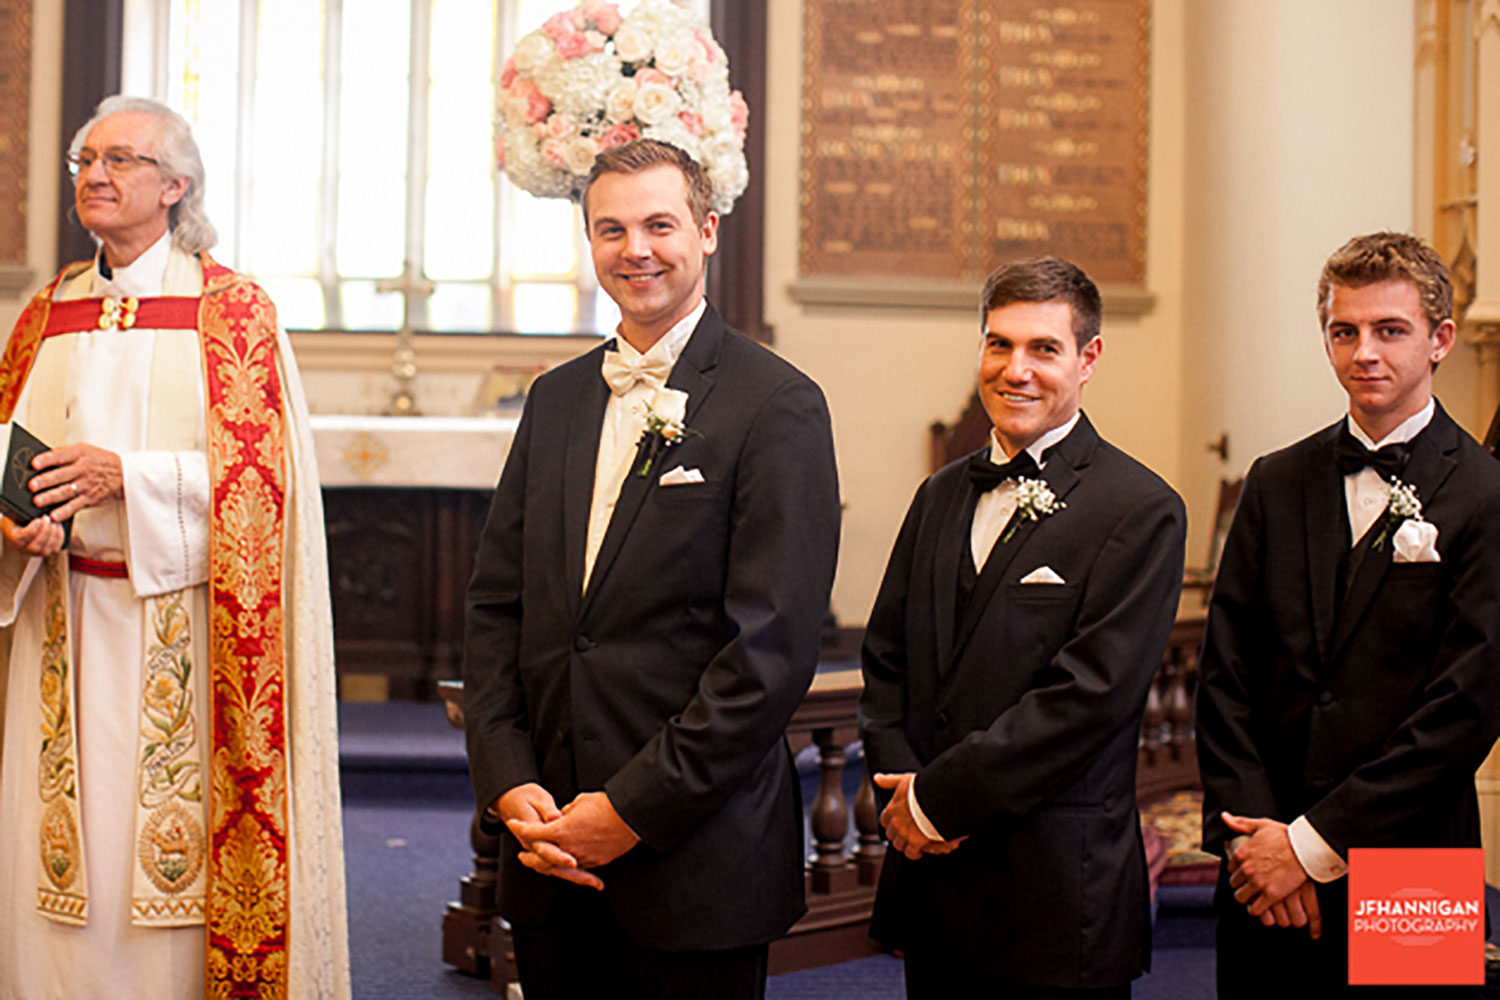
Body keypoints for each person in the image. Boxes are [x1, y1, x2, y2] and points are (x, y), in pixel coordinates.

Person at [462, 139, 840, 999]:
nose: (636, 249)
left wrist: (629, 812)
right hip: (550, 845)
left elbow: (769, 653)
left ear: (707, 232)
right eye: (612, 229)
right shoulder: (557, 398)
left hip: (695, 857)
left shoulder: (777, 404)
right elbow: (495, 607)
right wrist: (509, 776)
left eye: (660, 224)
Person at [0, 96, 348, 1000]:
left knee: (158, 866)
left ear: (176, 185)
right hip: (56, 620)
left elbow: (265, 489)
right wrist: (15, 525)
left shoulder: (230, 311)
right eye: (85, 160)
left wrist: (131, 480)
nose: (96, 175)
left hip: (181, 630)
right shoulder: (46, 313)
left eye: (120, 160)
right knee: (51, 864)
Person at [859, 255, 1186, 998]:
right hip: (933, 874)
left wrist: (937, 801)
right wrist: (900, 787)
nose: (1016, 369)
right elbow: (886, 659)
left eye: (1044, 348)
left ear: (1088, 357)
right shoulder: (939, 495)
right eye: (998, 344)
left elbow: (1088, 698)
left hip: (1052, 885)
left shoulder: (1139, 509)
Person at [1196, 231, 1500, 997]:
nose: (1365, 352)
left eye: (1390, 331)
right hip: (1262, 860)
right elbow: (1224, 676)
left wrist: (1314, 843)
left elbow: (1465, 707)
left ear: (1440, 341)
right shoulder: (1274, 482)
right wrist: (1260, 839)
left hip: (1414, 858)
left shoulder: (1487, 496)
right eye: (1345, 331)